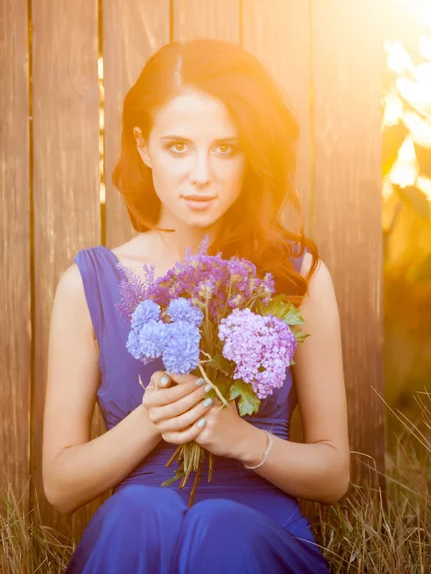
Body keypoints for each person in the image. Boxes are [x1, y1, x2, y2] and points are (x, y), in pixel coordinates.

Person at [42, 38, 349, 573]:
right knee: (139, 511)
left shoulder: (296, 276)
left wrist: (243, 440)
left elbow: (334, 473)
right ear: (144, 147)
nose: (201, 174)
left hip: (255, 537)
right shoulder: (86, 286)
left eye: (225, 148)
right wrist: (151, 421)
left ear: (250, 152)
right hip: (135, 540)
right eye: (178, 146)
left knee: (218, 529)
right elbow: (60, 486)